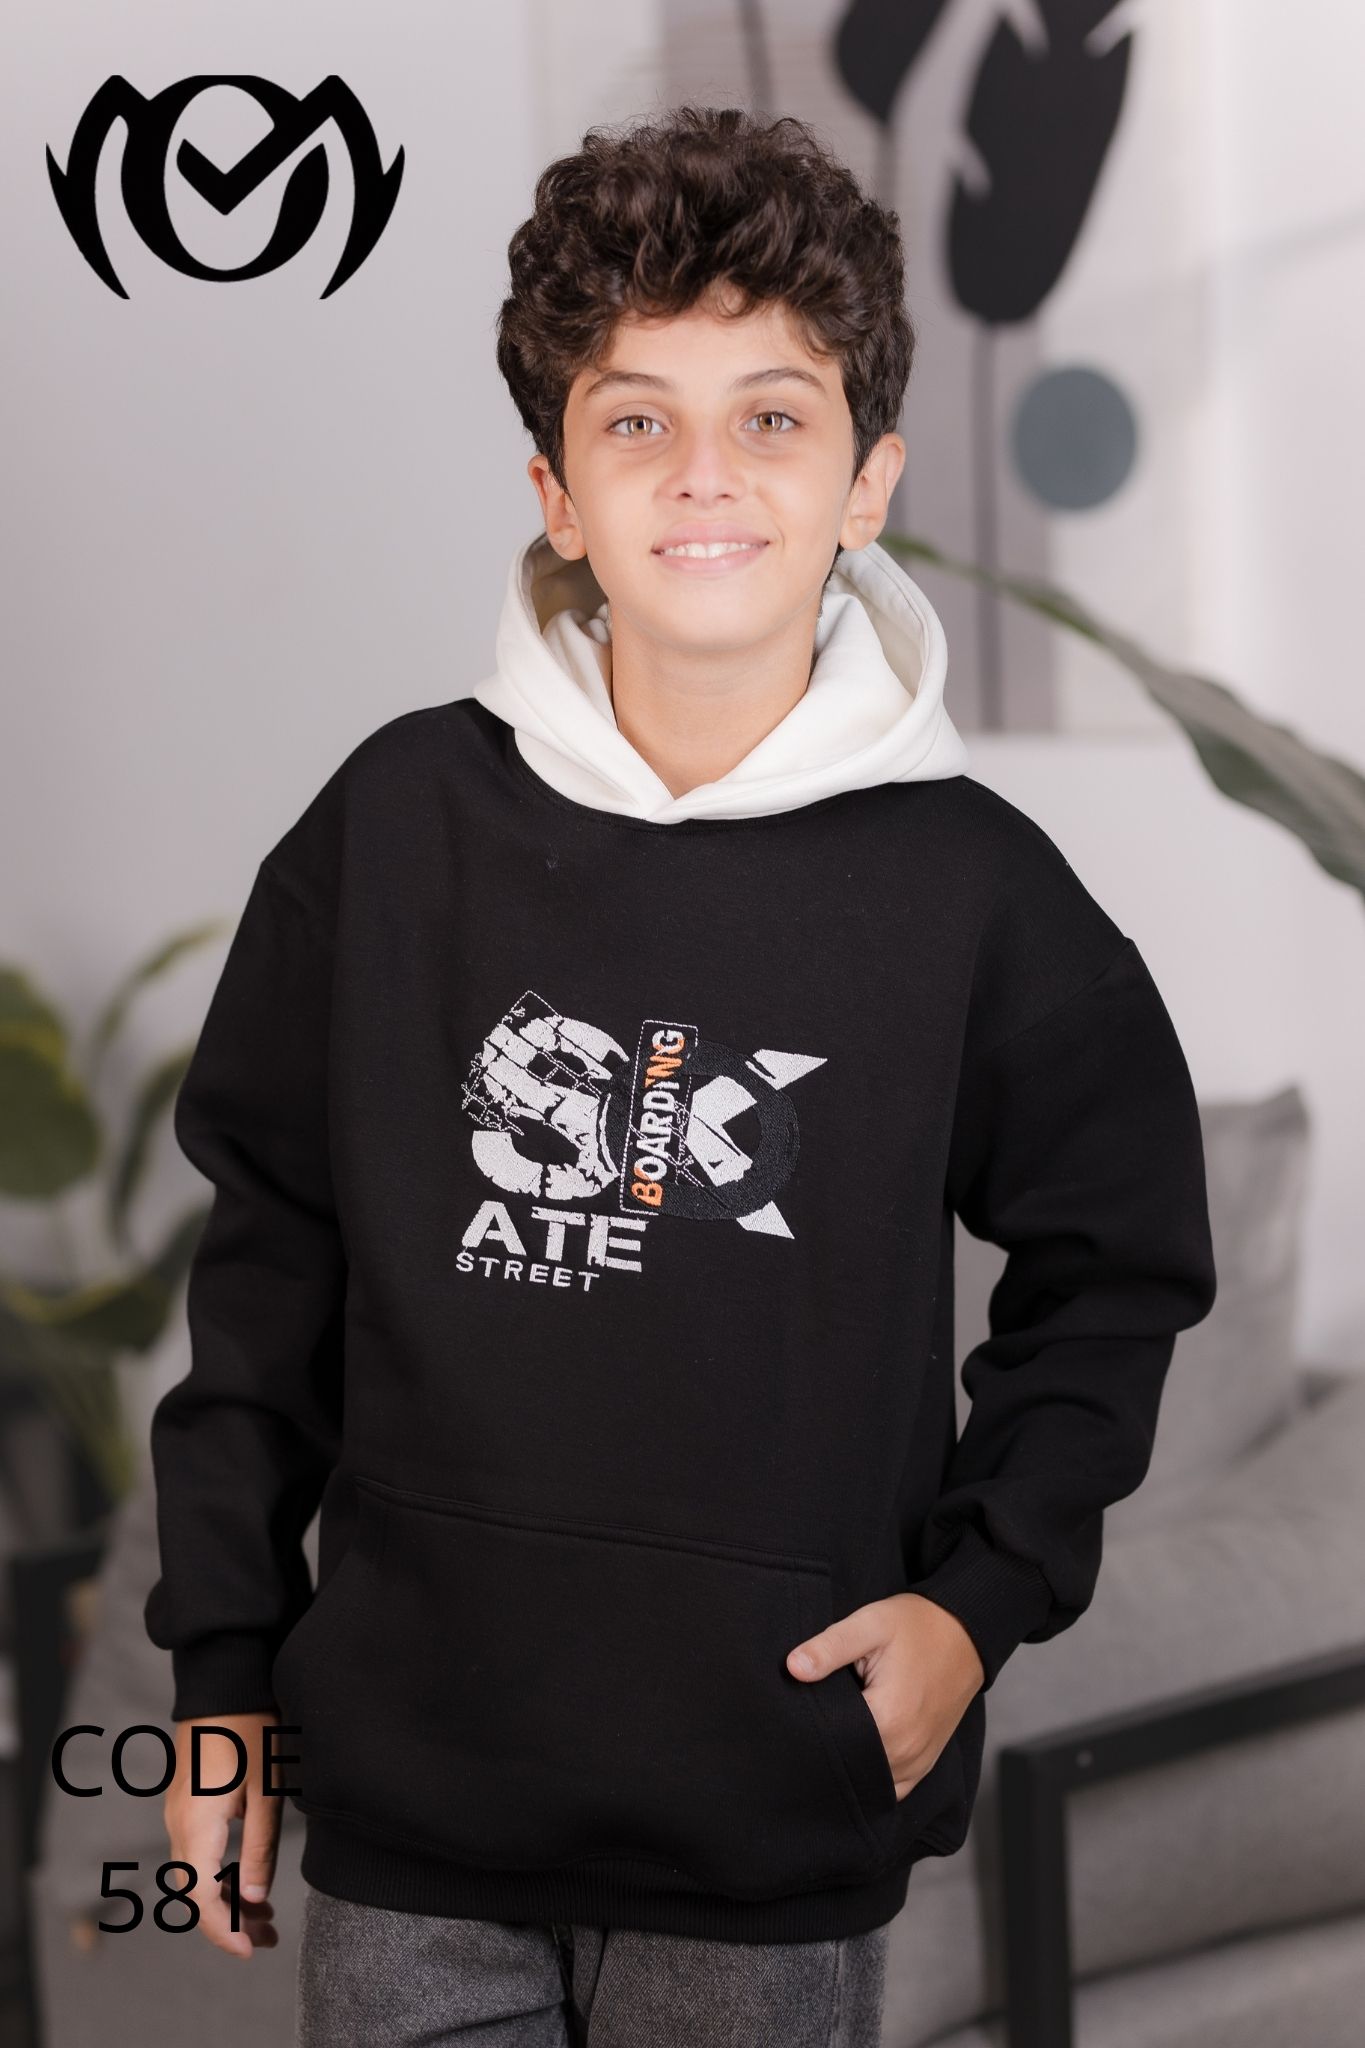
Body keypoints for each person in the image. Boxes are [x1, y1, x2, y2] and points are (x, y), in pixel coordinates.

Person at [144, 103, 1218, 2047]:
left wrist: (974, 1601)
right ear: (555, 489)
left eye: (771, 416)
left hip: (768, 1819)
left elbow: (1116, 1271)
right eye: (635, 419)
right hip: (411, 1820)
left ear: (866, 481)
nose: (703, 473)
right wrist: (221, 1670)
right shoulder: (392, 828)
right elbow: (267, 1275)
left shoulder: (973, 893)